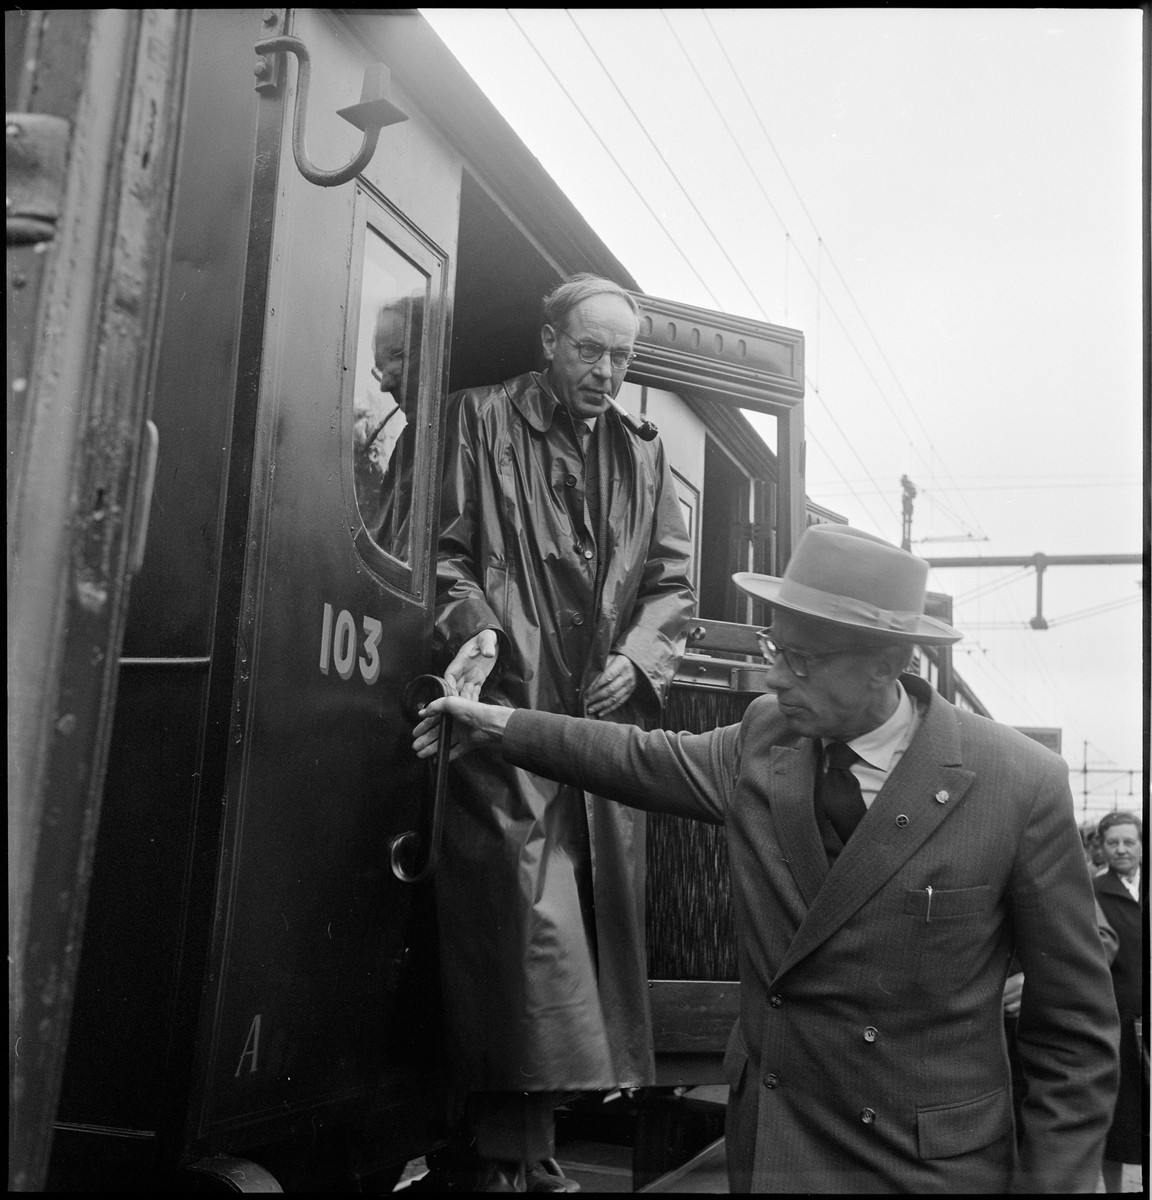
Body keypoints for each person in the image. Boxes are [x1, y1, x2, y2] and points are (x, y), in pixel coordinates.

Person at [415, 523, 1120, 1193]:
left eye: (802, 662)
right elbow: (635, 757)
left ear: (890, 665)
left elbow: (1075, 1041)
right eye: (773, 651)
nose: (776, 680)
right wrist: (500, 725)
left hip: (926, 1170)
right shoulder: (766, 739)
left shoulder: (1017, 784)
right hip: (778, 1149)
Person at [425, 274, 694, 1191]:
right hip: (508, 709)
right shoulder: (476, 419)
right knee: (524, 930)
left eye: (623, 356)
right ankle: (514, 1158)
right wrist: (479, 629)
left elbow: (672, 583)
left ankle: (524, 1155)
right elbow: (443, 554)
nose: (608, 371)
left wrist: (645, 657)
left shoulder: (647, 454)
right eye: (591, 350)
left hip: (597, 720)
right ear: (550, 344)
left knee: (572, 936)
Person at [1093, 811, 1145, 1192]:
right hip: (1121, 1022)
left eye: (1129, 841)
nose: (1122, 849)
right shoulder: (1094, 892)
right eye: (1114, 842)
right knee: (1122, 1120)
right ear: (1102, 847)